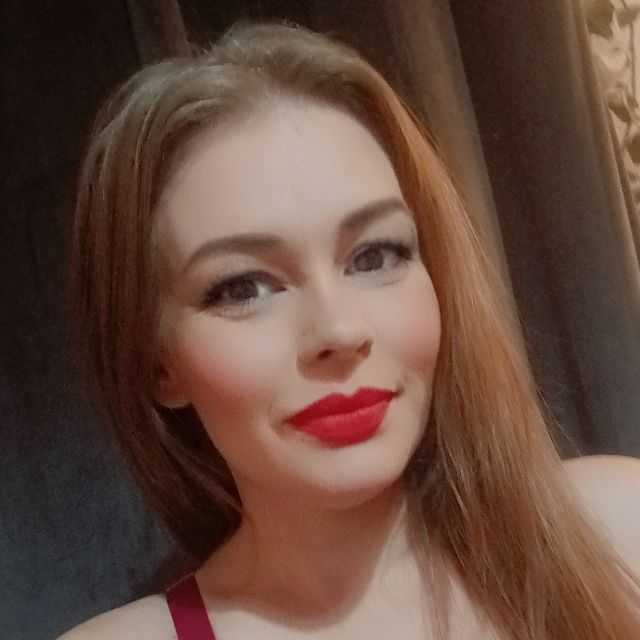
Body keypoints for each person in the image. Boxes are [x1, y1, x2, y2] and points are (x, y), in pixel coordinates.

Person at [59, 19, 640, 640]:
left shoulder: (619, 529)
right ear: (158, 363)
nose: (338, 330)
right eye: (243, 288)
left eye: (375, 256)